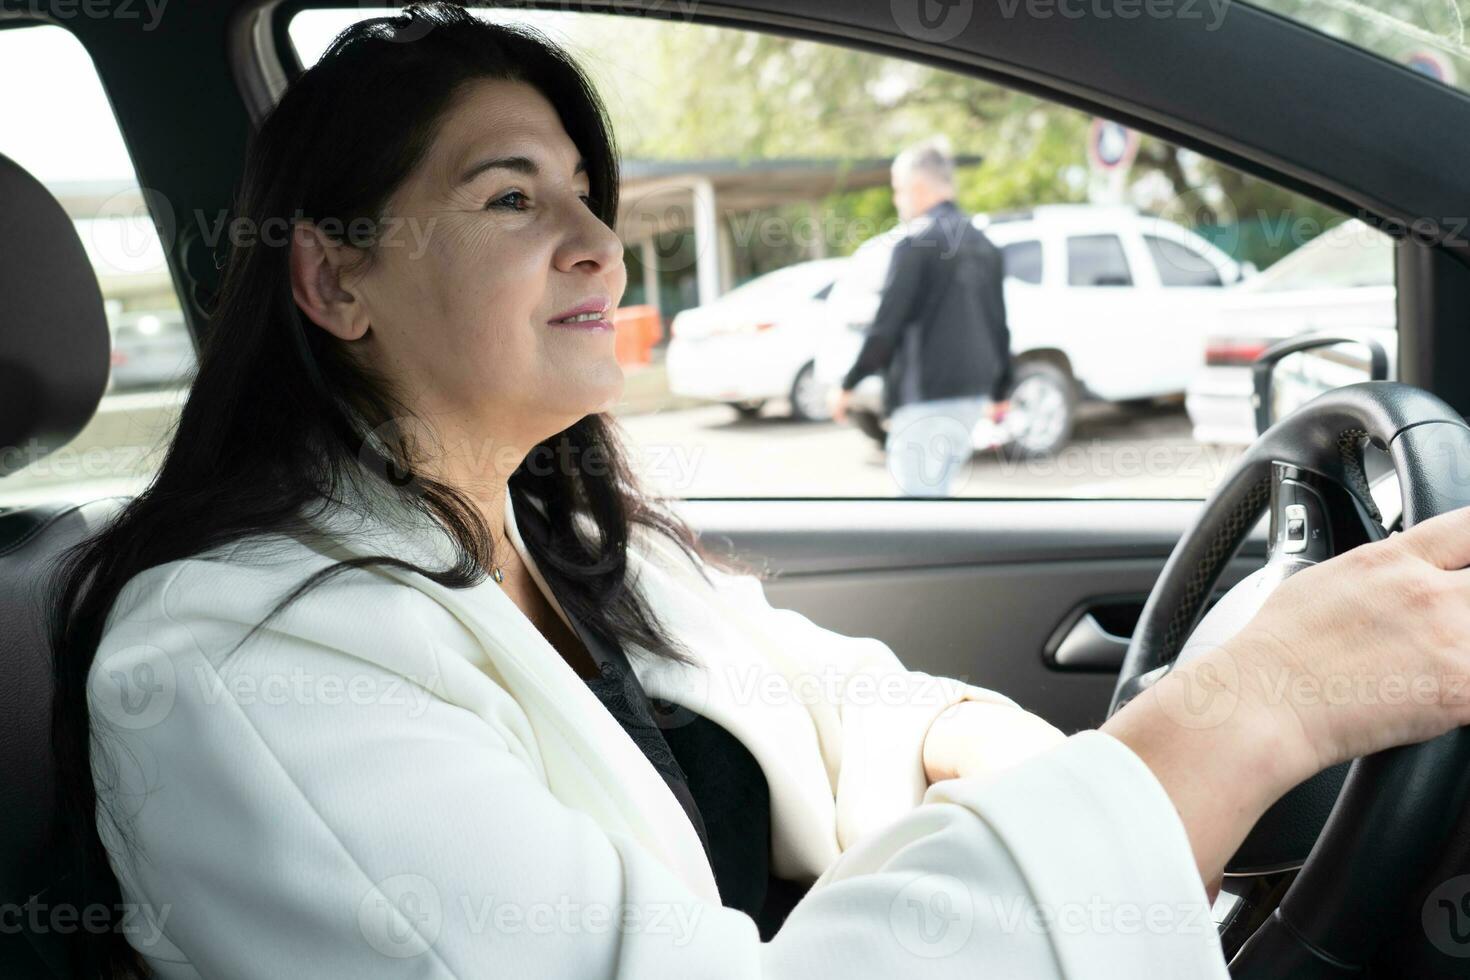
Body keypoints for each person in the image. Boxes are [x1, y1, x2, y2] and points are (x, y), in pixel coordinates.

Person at [45, 5, 1470, 978]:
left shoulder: (568, 546)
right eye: (509, 197)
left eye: (590, 197)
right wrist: (1243, 722)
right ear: (334, 277)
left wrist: (986, 754)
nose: (599, 245)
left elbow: (859, 703)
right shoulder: (240, 658)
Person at [828, 137, 1012, 497]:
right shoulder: (984, 244)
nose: (897, 201)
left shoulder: (915, 244)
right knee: (937, 500)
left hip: (925, 399)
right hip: (972, 398)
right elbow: (998, 323)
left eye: (898, 190)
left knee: (916, 511)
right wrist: (1002, 388)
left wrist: (847, 385)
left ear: (917, 187)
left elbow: (886, 327)